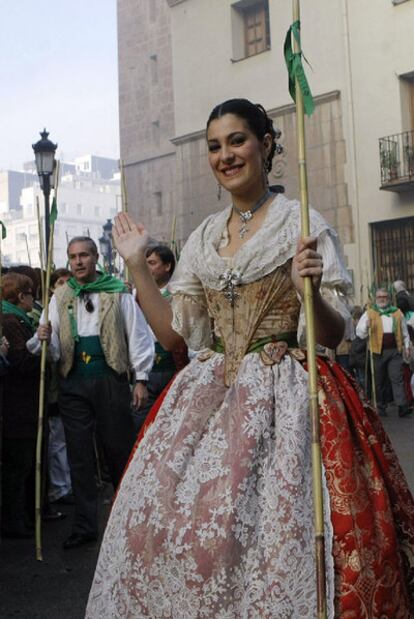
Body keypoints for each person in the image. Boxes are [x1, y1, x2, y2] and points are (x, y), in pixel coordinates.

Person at [87, 99, 414, 617]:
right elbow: (175, 336)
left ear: (266, 144)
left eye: (237, 140)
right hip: (209, 396)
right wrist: (137, 267)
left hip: (289, 399)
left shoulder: (300, 221)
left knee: (277, 536)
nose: (225, 155)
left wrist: (309, 292)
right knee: (179, 531)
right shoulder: (202, 237)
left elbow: (332, 337)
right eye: (215, 146)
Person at [27, 237, 154, 549]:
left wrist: (141, 378)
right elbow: (48, 349)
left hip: (109, 378)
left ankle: (126, 520)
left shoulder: (117, 292)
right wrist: (42, 337)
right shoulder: (60, 296)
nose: (78, 262)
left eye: (84, 255)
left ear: (96, 257)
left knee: (117, 450)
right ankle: (85, 525)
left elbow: (137, 335)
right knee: (79, 455)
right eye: (72, 257)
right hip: (73, 382)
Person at [0, 273, 48, 538]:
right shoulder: (9, 320)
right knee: (17, 466)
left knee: (23, 463)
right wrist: (39, 350)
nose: (33, 299)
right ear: (21, 296)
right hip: (16, 406)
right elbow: (18, 363)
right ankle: (13, 520)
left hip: (22, 405)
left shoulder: (17, 318)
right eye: (30, 294)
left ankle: (23, 516)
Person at [132, 245, 188, 433]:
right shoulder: (135, 295)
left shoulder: (180, 294)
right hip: (146, 372)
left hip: (174, 367)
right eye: (145, 264)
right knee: (143, 426)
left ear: (167, 266)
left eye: (153, 263)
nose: (148, 268)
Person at [356, 287, 411, 417]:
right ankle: (380, 406)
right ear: (376, 299)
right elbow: (360, 333)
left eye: (385, 297)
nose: (382, 299)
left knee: (397, 378)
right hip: (377, 351)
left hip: (394, 350)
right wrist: (366, 326)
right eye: (380, 297)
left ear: (389, 299)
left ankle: (402, 406)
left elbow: (404, 332)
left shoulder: (397, 313)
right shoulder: (369, 313)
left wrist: (407, 346)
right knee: (379, 380)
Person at [47, 268, 73, 504]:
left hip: (75, 384)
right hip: (55, 387)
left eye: (68, 282)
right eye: (59, 282)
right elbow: (49, 351)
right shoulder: (50, 311)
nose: (64, 286)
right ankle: (59, 488)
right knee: (58, 441)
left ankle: (69, 484)